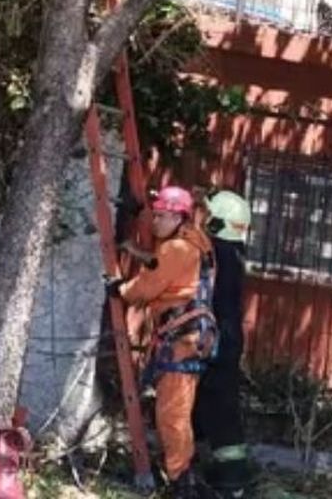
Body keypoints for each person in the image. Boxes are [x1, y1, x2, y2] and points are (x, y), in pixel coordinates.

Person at [108, 185, 217, 498]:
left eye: (160, 216)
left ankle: (182, 481)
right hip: (192, 337)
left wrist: (121, 290)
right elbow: (161, 270)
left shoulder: (177, 249)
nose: (155, 222)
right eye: (154, 215)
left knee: (172, 414)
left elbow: (150, 285)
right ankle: (182, 473)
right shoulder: (198, 244)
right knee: (177, 412)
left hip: (182, 340)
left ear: (177, 217)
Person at [195, 190, 252, 498]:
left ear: (216, 223)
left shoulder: (216, 254)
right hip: (227, 337)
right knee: (218, 404)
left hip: (216, 337)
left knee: (216, 405)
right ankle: (227, 475)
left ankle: (230, 479)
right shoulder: (234, 253)